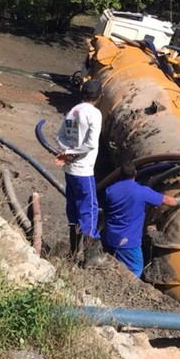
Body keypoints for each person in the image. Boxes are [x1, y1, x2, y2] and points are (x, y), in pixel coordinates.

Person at [100, 163, 180, 277]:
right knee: (135, 269)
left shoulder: (110, 190)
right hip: (129, 242)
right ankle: (126, 292)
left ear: (120, 174)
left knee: (111, 263)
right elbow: (166, 200)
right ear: (135, 174)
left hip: (109, 237)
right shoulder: (142, 191)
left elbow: (105, 210)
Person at [55, 79, 105, 263]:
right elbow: (91, 144)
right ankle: (92, 257)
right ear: (99, 96)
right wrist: (72, 152)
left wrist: (66, 151)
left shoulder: (72, 112)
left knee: (73, 208)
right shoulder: (94, 114)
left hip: (70, 170)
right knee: (89, 210)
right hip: (84, 170)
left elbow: (59, 136)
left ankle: (74, 251)